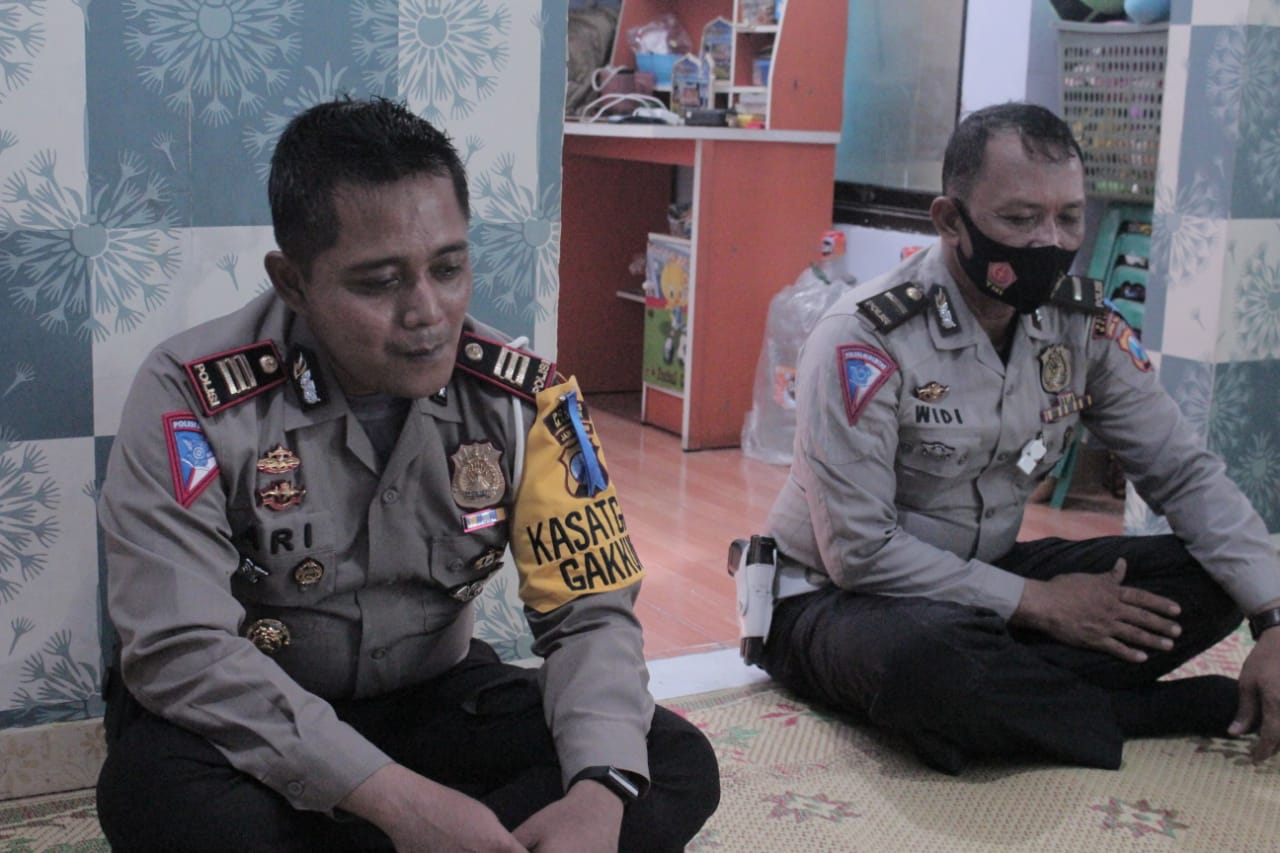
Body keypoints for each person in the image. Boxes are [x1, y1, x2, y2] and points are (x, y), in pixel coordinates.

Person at [95, 96, 719, 852]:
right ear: (292, 282)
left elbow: (591, 613)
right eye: (379, 282)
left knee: (661, 760)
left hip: (431, 701)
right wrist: (399, 803)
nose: (428, 312)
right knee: (156, 795)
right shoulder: (190, 398)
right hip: (255, 713)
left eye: (449, 268)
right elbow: (182, 649)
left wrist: (597, 795)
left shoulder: (526, 400)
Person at [752, 102, 1280, 774]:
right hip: (833, 596)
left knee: (1217, 575)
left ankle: (1004, 707)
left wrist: (1273, 617)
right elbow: (859, 552)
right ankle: (1131, 712)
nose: (1050, 243)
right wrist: (1039, 605)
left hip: (985, 578)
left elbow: (1182, 472)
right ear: (951, 220)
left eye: (1069, 217)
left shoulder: (1080, 324)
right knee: (924, 659)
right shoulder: (863, 337)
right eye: (1021, 219)